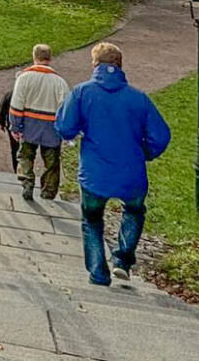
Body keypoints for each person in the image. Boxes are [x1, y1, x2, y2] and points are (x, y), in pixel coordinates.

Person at [54, 41, 170, 286]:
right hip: (132, 170)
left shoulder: (82, 92)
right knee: (134, 211)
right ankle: (123, 259)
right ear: (120, 65)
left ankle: (98, 271)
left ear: (95, 64)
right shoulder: (139, 99)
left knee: (92, 219)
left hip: (95, 171)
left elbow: (64, 127)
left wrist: (77, 133)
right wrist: (146, 152)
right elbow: (161, 136)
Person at [7, 43, 72, 203]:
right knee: (51, 162)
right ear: (50, 58)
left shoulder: (24, 78)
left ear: (34, 57)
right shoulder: (60, 82)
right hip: (51, 126)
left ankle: (27, 181)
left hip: (29, 124)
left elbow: (16, 104)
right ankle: (48, 191)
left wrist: (15, 126)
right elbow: (66, 109)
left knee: (25, 155)